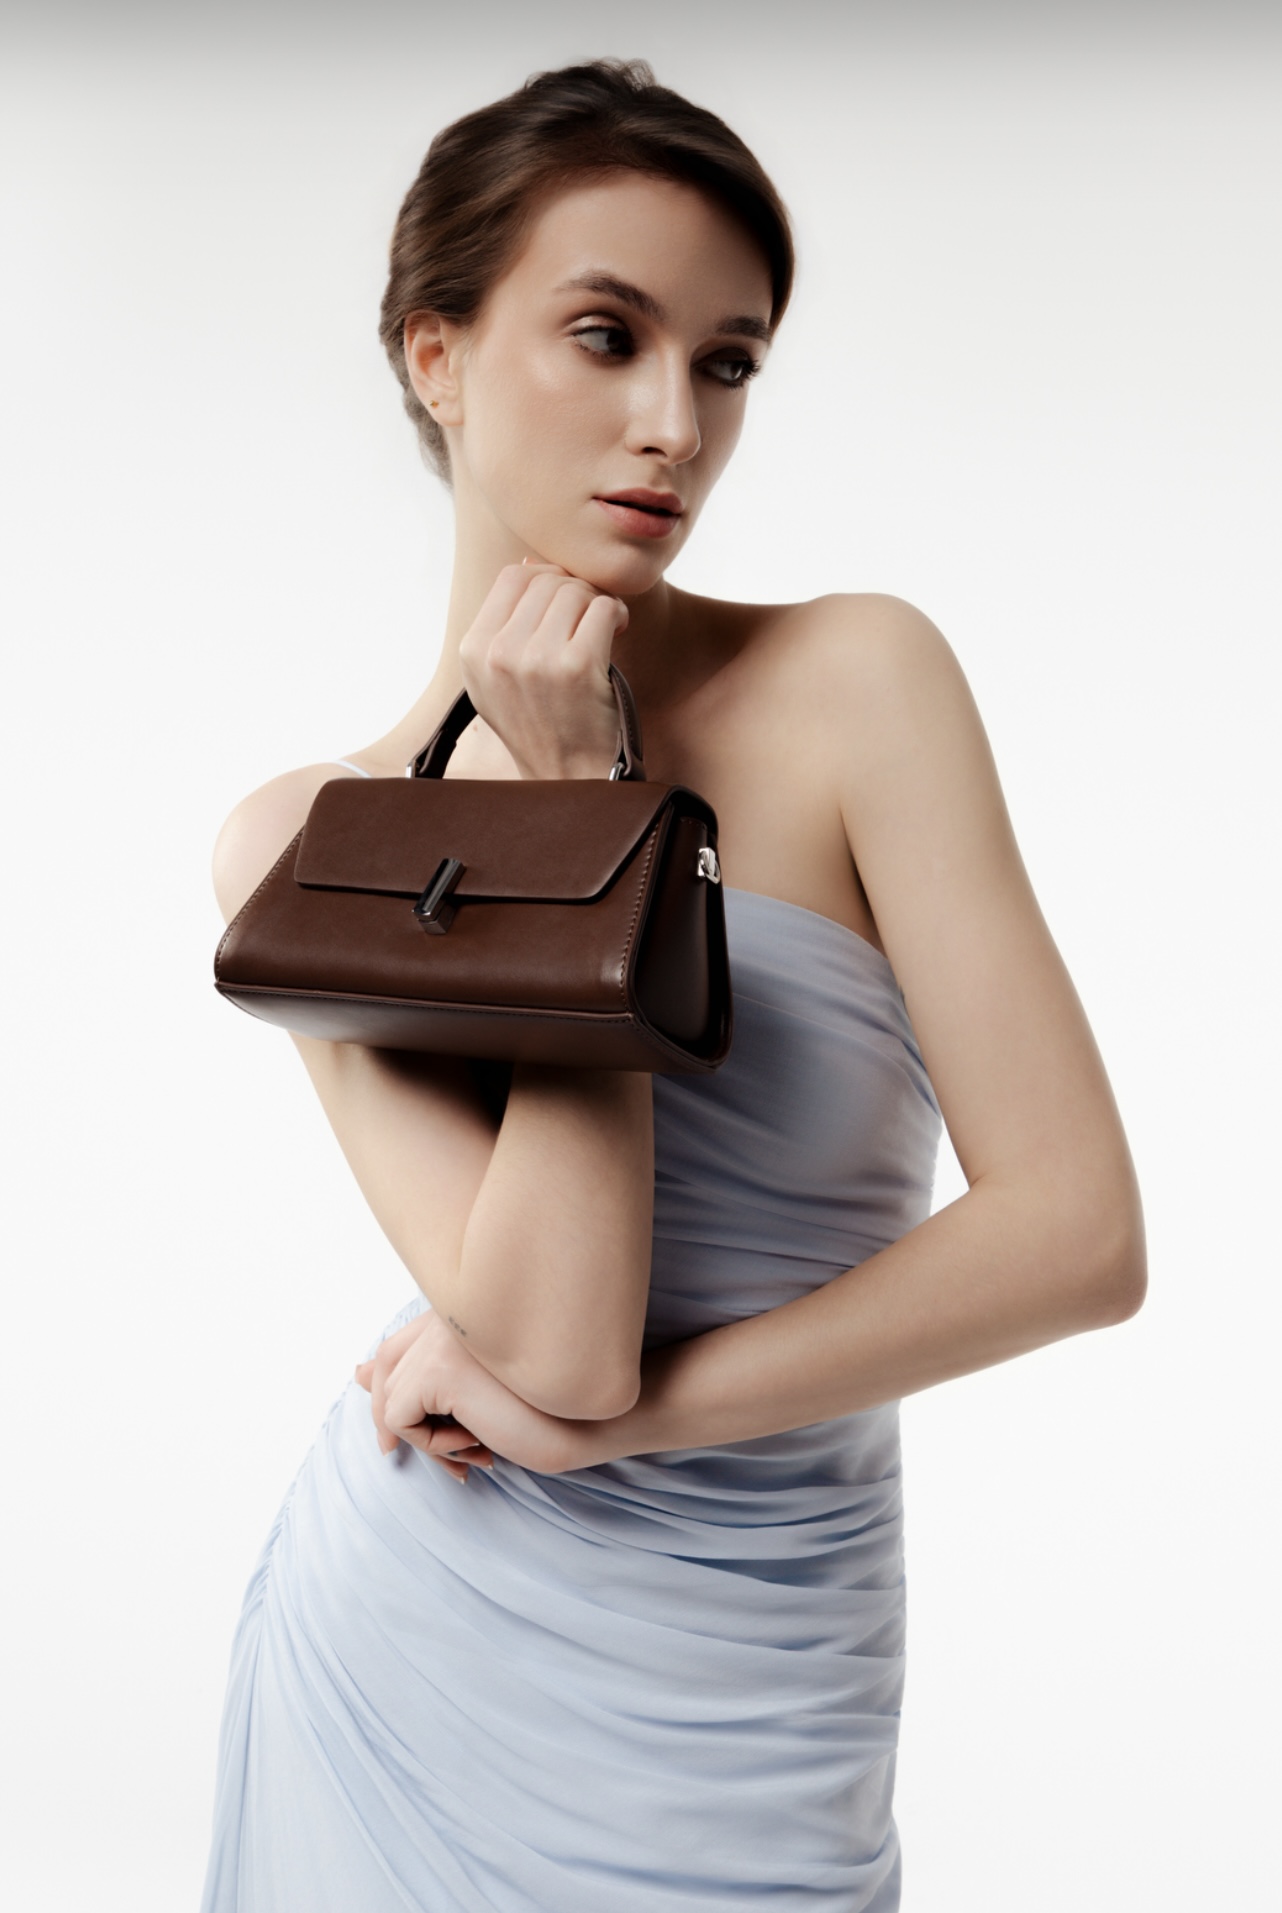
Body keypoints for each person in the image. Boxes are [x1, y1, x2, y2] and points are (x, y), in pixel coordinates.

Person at [200, 57, 1146, 1913]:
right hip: (418, 1661)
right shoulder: (305, 844)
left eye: (725, 362)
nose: (675, 426)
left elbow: (1079, 1236)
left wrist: (639, 1419)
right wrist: (589, 815)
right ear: (436, 355)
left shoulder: (855, 686)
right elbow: (554, 1338)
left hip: (763, 1677)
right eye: (605, 335)